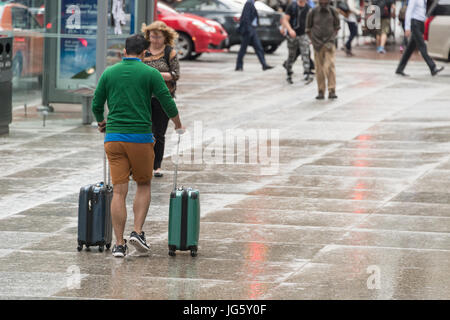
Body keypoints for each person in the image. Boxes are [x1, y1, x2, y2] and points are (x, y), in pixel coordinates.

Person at [92, 34, 184, 258]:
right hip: (140, 138)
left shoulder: (109, 72)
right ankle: (138, 232)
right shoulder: (150, 73)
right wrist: (179, 125)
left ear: (124, 52)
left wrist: (102, 122)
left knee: (119, 191)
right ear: (145, 53)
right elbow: (166, 101)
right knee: (143, 185)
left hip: (113, 138)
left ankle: (119, 244)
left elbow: (97, 103)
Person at [142, 21, 180, 179]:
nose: (155, 40)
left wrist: (155, 75)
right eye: (152, 36)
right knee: (145, 131)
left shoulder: (169, 52)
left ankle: (156, 165)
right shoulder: (143, 51)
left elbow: (175, 74)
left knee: (159, 132)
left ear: (165, 37)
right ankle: (142, 164)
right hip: (144, 96)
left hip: (163, 96)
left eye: (158, 37)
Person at [395, 0, 444, 77]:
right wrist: (407, 27)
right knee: (422, 46)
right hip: (415, 23)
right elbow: (409, 11)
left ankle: (399, 69)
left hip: (420, 23)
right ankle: (432, 67)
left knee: (409, 48)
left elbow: (422, 11)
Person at [306, 0, 340, 100]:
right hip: (317, 44)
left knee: (329, 65)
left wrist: (332, 38)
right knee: (319, 68)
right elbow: (308, 28)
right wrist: (313, 40)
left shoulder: (333, 11)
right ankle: (321, 91)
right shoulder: (313, 12)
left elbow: (337, 27)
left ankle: (332, 90)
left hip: (329, 43)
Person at [235, 0, 274, 71]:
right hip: (248, 30)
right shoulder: (249, 3)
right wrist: (249, 29)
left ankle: (264, 65)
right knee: (243, 48)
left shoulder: (252, 3)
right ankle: (238, 65)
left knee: (259, 47)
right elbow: (245, 17)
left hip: (252, 30)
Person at [281, 0, 313, 84]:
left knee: (305, 54)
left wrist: (311, 37)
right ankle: (289, 72)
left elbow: (311, 24)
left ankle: (306, 73)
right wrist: (289, 30)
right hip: (292, 35)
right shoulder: (292, 6)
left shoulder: (309, 9)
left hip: (303, 35)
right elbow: (285, 19)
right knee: (292, 55)